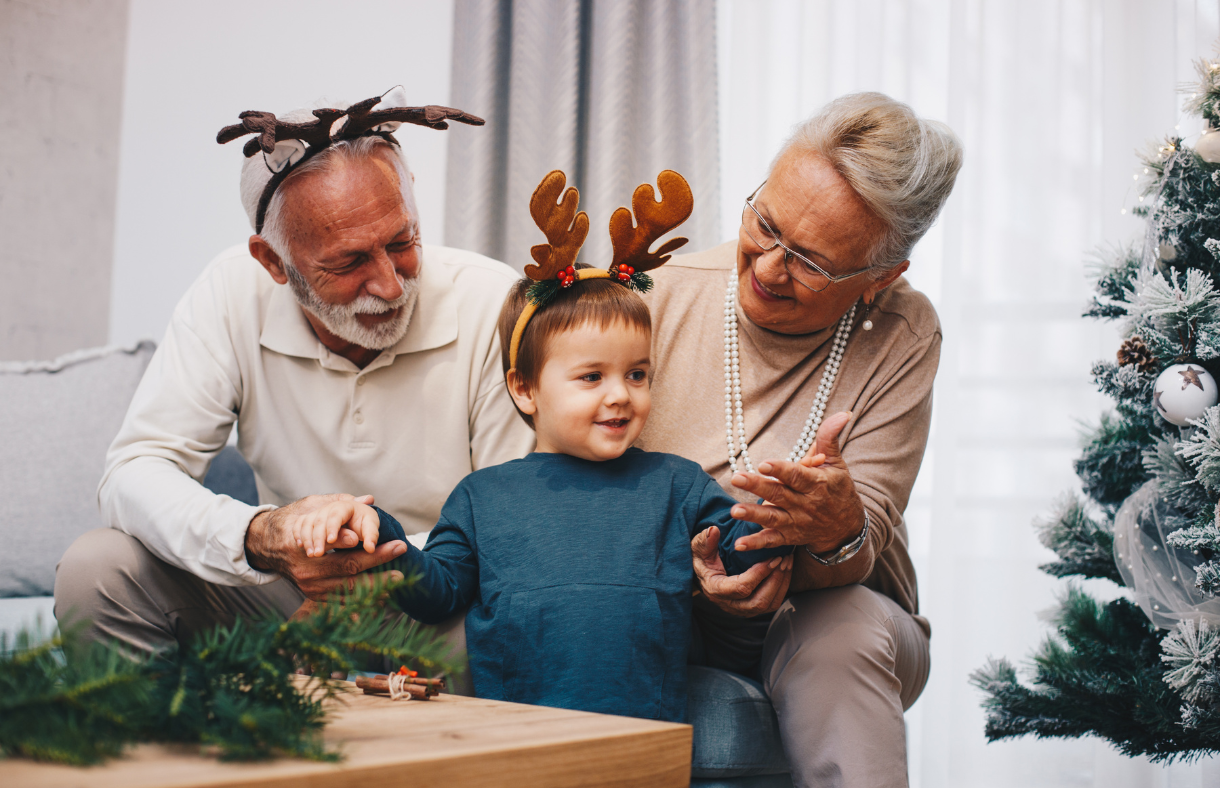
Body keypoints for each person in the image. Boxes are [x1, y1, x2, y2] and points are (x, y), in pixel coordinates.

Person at [53, 90, 535, 659]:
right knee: (96, 568)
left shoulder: (493, 300)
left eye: (402, 242)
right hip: (289, 595)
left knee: (531, 617)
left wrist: (364, 571)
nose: (389, 283)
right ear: (273, 262)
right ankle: (179, 746)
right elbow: (135, 472)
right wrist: (263, 538)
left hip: (440, 604)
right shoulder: (230, 292)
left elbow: (516, 511)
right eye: (350, 261)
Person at [296, 262, 791, 721]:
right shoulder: (480, 496)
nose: (620, 393)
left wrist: (783, 510)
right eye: (592, 376)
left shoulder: (678, 483)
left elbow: (740, 552)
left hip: (647, 735)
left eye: (636, 374)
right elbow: (437, 596)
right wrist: (379, 530)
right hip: (520, 735)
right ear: (525, 389)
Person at [639, 92, 962, 786]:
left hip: (836, 604)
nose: (765, 267)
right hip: (668, 593)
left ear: (880, 278)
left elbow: (863, 540)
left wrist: (833, 531)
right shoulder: (659, 295)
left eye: (810, 261)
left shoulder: (903, 331)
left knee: (837, 630)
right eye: (765, 223)